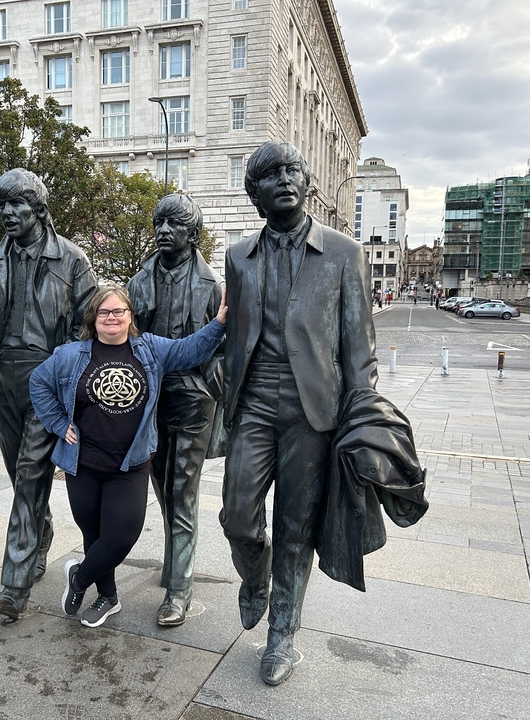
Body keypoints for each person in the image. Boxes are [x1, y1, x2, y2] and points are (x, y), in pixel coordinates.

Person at [219, 141, 379, 685]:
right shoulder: (237, 256)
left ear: (306, 182)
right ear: (255, 193)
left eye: (293, 171)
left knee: (296, 527)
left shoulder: (343, 253)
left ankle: (282, 635)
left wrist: (362, 420)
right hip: (254, 403)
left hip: (315, 410)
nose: (285, 179)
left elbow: (359, 351)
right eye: (271, 174)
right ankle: (255, 577)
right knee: (238, 516)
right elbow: (235, 337)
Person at [29, 286, 227, 628]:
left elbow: (189, 350)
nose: (112, 318)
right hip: (83, 464)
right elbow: (38, 382)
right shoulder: (71, 354)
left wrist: (220, 322)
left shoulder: (149, 348)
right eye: (104, 312)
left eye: (119, 311)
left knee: (121, 536)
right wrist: (59, 424)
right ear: (93, 318)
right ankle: (108, 597)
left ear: (130, 316)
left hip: (129, 465)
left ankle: (79, 578)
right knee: (93, 535)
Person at [0, 168, 98, 621]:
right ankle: (40, 535)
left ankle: (14, 584)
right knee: (20, 477)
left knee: (29, 476)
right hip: (2, 383)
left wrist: (61, 377)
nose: (8, 213)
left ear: (39, 209)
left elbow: (85, 329)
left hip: (46, 382)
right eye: (1, 205)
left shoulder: (72, 260)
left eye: (17, 204)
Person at [125, 194, 223, 627]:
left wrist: (210, 382)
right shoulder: (138, 280)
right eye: (159, 223)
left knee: (182, 490)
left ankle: (179, 589)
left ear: (193, 234)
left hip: (192, 398)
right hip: (149, 396)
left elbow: (226, 344)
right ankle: (174, 562)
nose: (163, 230)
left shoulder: (212, 285)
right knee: (162, 487)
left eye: (174, 224)